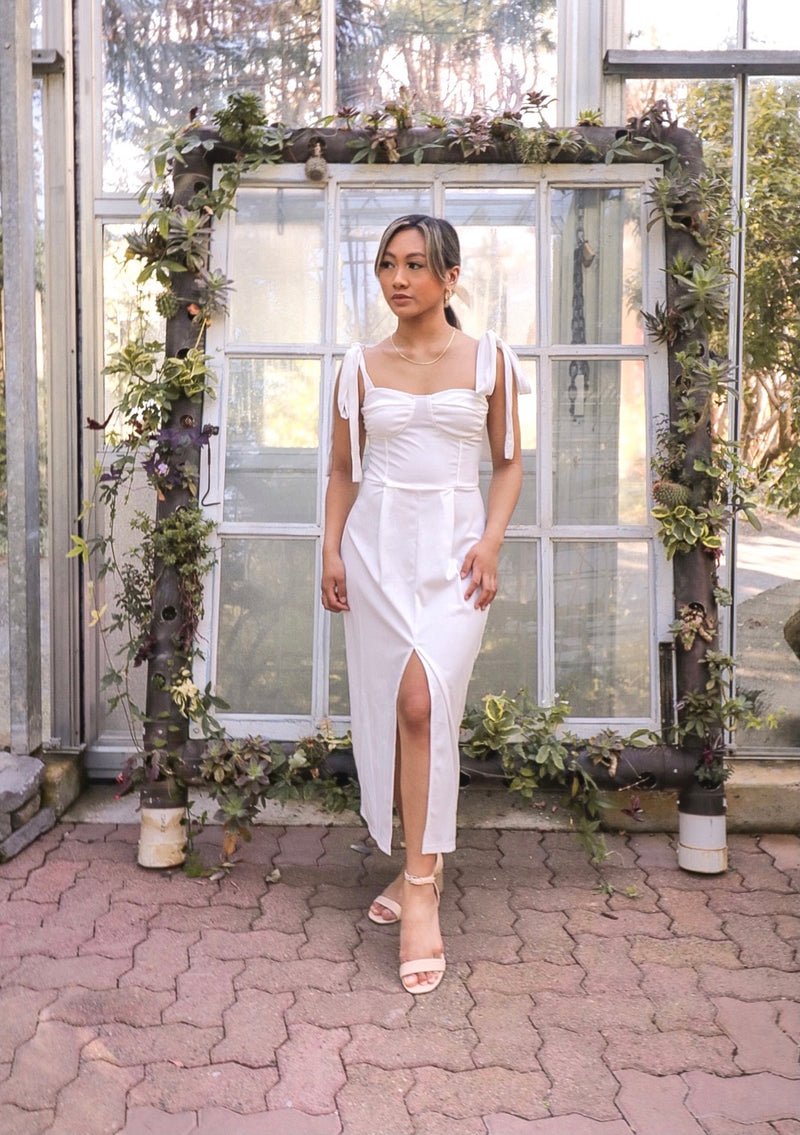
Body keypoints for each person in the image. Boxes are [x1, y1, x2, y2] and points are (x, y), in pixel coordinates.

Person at [321, 214, 529, 994]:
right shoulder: (359, 366)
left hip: (454, 552)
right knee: (399, 709)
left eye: (414, 265)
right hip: (377, 549)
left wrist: (492, 542)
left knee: (424, 699)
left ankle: (418, 889)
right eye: (386, 264)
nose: (397, 279)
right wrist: (330, 546)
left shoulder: (490, 361)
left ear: (450, 277)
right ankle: (419, 864)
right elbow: (344, 470)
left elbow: (507, 464)